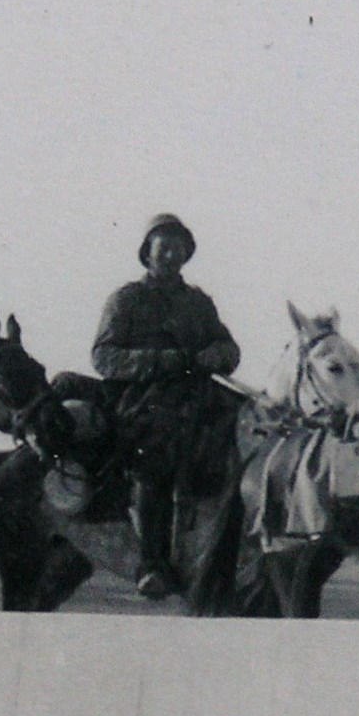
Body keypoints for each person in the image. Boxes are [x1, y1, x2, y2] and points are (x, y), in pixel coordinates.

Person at [91, 213, 242, 598]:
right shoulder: (126, 299)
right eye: (164, 248)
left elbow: (230, 348)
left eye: (179, 248)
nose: (172, 255)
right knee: (156, 448)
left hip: (198, 395)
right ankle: (153, 563)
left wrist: (216, 354)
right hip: (142, 400)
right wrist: (160, 361)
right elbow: (104, 358)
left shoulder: (199, 303)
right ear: (148, 253)